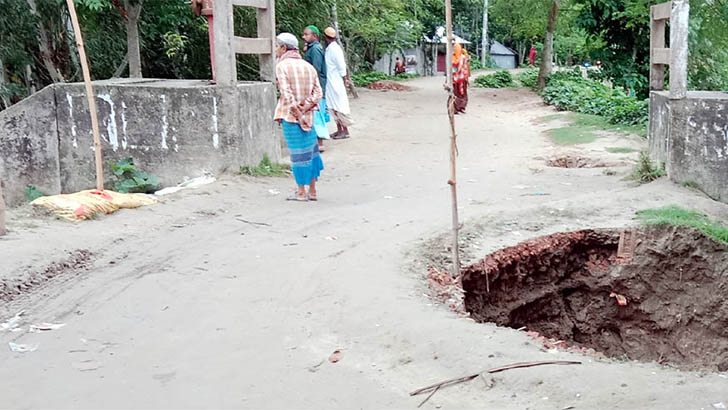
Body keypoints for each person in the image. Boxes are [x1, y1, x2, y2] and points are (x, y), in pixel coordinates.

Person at [273, 32, 324, 202]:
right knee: (311, 152)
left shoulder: (281, 66)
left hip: (291, 117)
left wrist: (297, 111)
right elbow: (318, 93)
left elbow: (286, 94)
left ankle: (301, 192)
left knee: (298, 155)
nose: (275, 50)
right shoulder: (308, 66)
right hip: (309, 116)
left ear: (283, 47)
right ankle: (313, 191)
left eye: (276, 46)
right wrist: (306, 107)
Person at [302, 25, 330, 152]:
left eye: (307, 34)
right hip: (315, 84)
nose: (304, 37)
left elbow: (316, 69)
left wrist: (312, 86)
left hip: (316, 85)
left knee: (317, 113)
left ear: (314, 36)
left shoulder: (315, 50)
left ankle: (320, 142)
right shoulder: (311, 48)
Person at [323, 27, 353, 139]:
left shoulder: (335, 49)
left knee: (339, 106)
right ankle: (339, 129)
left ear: (326, 37)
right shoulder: (330, 49)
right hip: (331, 81)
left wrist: (345, 78)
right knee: (333, 106)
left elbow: (341, 66)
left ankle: (345, 130)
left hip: (336, 82)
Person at [452, 43, 469, 114]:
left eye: (458, 48)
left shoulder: (463, 57)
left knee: (463, 93)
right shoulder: (452, 57)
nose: (457, 50)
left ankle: (462, 107)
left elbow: (466, 67)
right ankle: (455, 108)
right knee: (456, 93)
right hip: (455, 79)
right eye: (455, 48)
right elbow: (452, 68)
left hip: (463, 78)